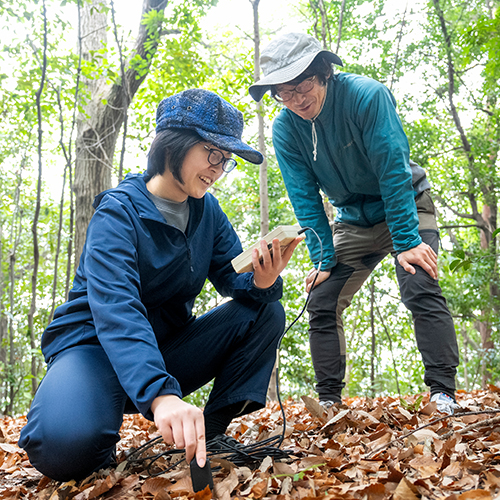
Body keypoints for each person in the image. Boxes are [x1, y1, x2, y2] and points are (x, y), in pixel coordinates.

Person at [18, 89, 302, 482]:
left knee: (264, 310)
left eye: (226, 160)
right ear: (174, 143)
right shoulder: (117, 213)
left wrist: (262, 280)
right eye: (212, 153)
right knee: (62, 451)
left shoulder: (207, 211)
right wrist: (161, 394)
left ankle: (213, 434)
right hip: (93, 350)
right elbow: (117, 308)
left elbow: (232, 278)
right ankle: (94, 419)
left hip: (166, 348)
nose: (218, 168)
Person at [249, 32, 460, 415]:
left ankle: (443, 393)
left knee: (419, 280)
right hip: (353, 220)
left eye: (303, 85)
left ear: (324, 72)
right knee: (322, 298)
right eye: (284, 92)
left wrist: (408, 239)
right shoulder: (285, 128)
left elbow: (393, 170)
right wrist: (323, 260)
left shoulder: (366, 96)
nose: (296, 99)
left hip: (405, 203)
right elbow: (305, 198)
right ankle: (329, 400)